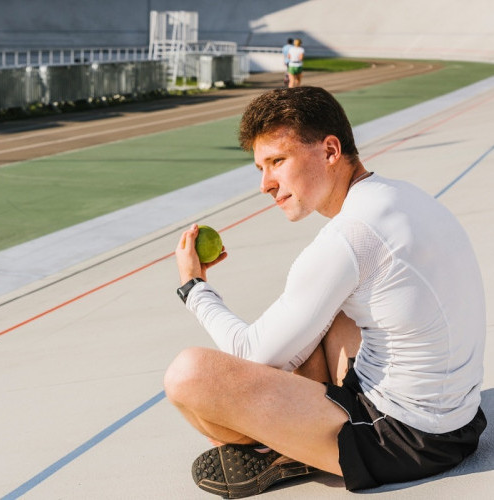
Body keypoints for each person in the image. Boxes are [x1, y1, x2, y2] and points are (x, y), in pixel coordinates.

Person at [165, 86, 487, 497]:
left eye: (277, 162)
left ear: (330, 151)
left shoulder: (348, 237)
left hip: (404, 440)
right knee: (319, 313)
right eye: (260, 168)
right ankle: (301, 433)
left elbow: (252, 356)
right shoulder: (401, 196)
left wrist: (195, 288)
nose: (265, 183)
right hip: (458, 421)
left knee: (189, 377)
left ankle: (288, 447)